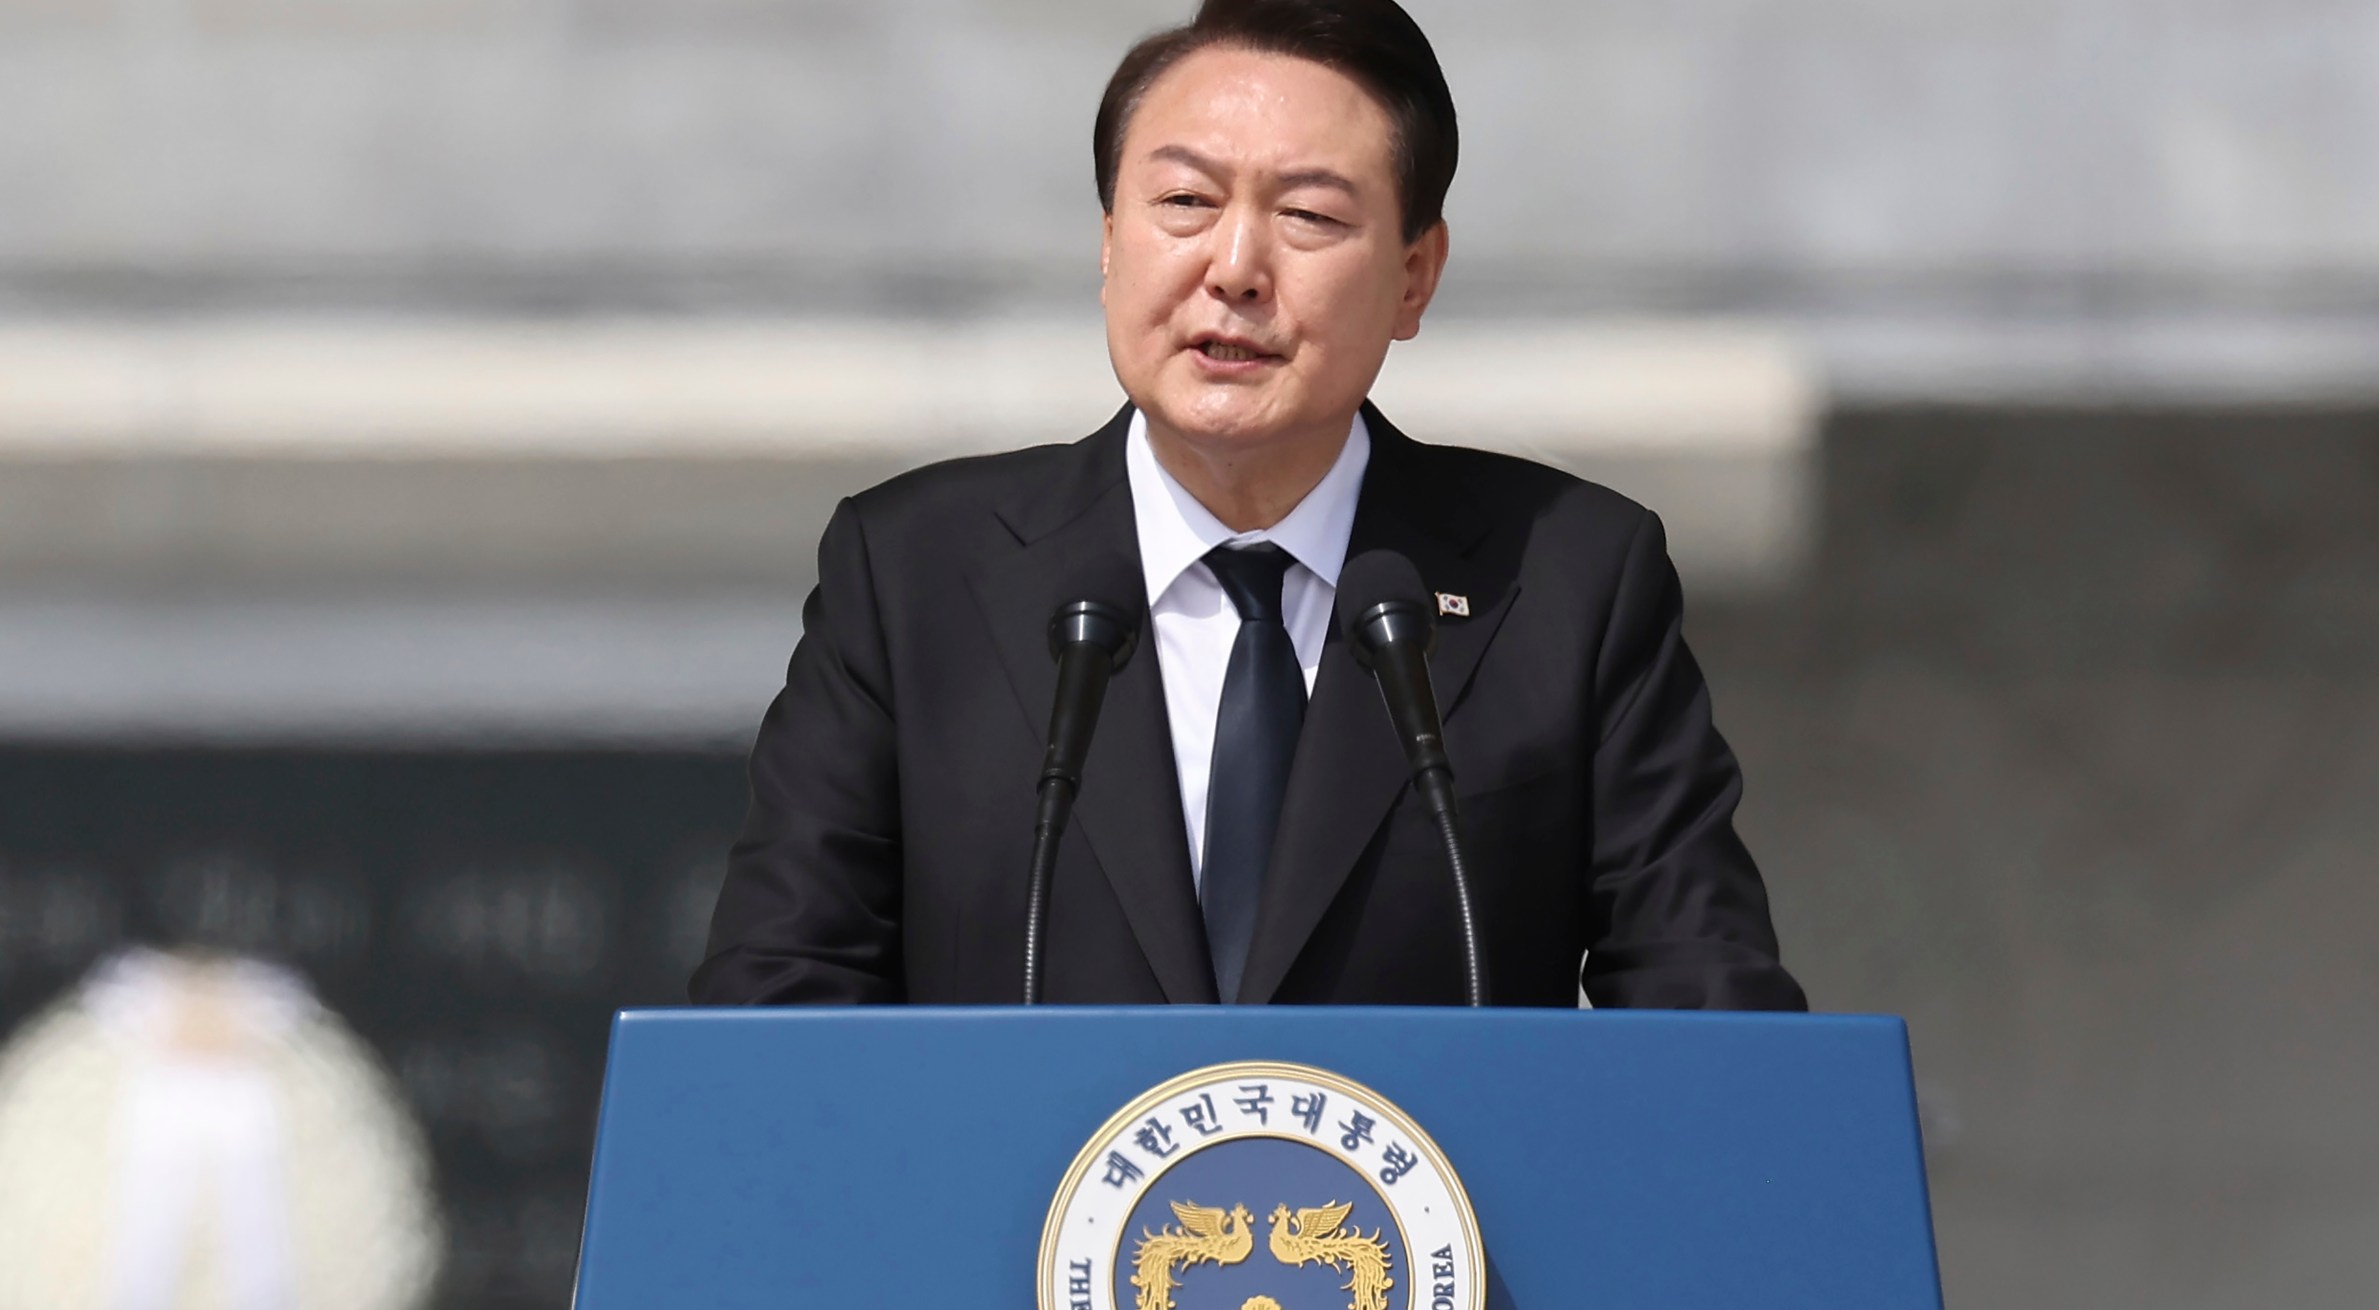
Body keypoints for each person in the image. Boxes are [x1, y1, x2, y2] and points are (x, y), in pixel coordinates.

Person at [694, 0, 1803, 1011]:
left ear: (1415, 276)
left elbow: (1707, 1013)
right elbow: (777, 1007)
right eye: (1183, 202)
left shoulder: (1566, 578)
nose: (1234, 268)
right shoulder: (914, 573)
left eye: (1309, 217)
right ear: (1108, 242)